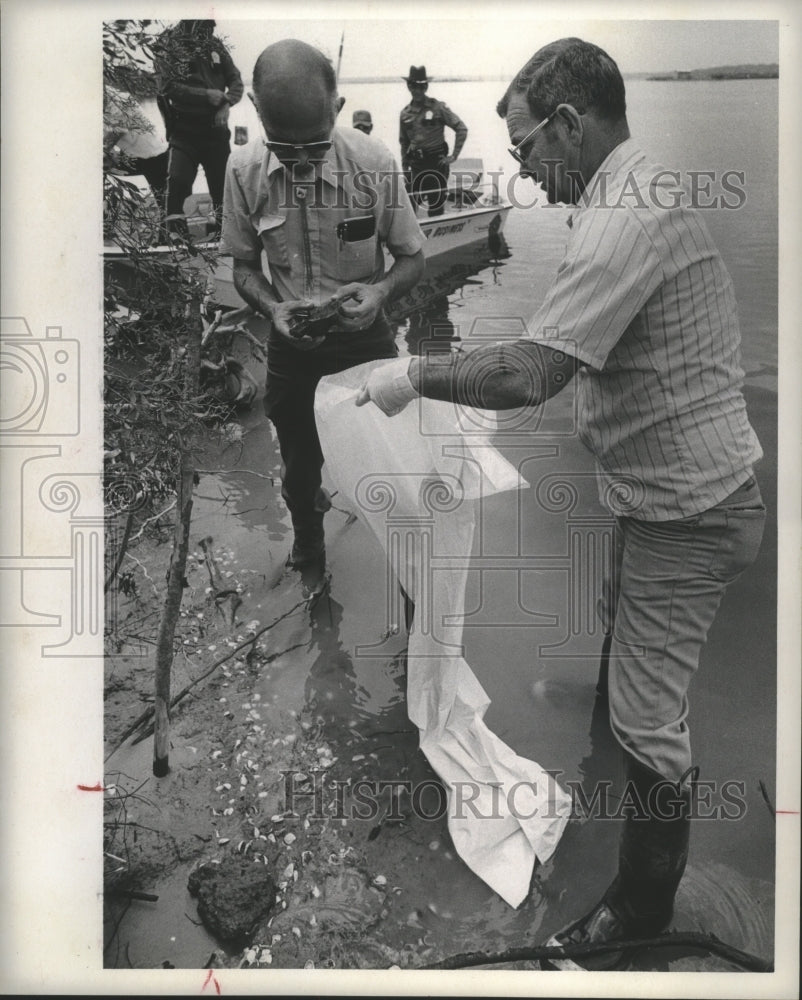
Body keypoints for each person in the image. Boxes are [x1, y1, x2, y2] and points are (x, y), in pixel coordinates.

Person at [357, 37, 766, 968]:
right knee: (621, 625)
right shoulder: (631, 191)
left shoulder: (627, 219)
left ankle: (640, 908)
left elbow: (529, 372)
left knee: (651, 723)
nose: (525, 176)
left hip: (690, 511)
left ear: (571, 126)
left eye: (527, 149)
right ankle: (608, 711)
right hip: (666, 489)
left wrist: (411, 373)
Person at [221, 39, 425, 579]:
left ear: (336, 109)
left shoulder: (376, 163)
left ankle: (408, 579)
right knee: (298, 468)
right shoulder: (242, 171)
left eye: (314, 146)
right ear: (256, 110)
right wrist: (272, 307)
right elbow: (242, 268)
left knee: (395, 465)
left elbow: (412, 257)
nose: (303, 163)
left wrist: (379, 293)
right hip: (290, 340)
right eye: (285, 151)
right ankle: (309, 550)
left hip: (365, 337)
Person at [153, 19, 244, 235]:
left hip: (216, 131)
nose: (208, 32)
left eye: (210, 27)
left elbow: (237, 81)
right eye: (203, 27)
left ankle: (224, 234)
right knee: (177, 182)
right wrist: (206, 95)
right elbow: (166, 86)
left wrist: (226, 104)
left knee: (221, 186)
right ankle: (175, 235)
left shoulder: (215, 45)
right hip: (184, 130)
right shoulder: (167, 44)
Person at [399, 66, 468, 216]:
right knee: (409, 207)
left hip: (436, 164)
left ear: (426, 87)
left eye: (421, 86)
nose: (417, 90)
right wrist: (405, 167)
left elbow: (461, 128)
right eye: (414, 86)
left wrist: (453, 156)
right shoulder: (404, 114)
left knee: (435, 207)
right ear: (408, 86)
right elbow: (404, 142)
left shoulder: (437, 108)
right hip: (415, 165)